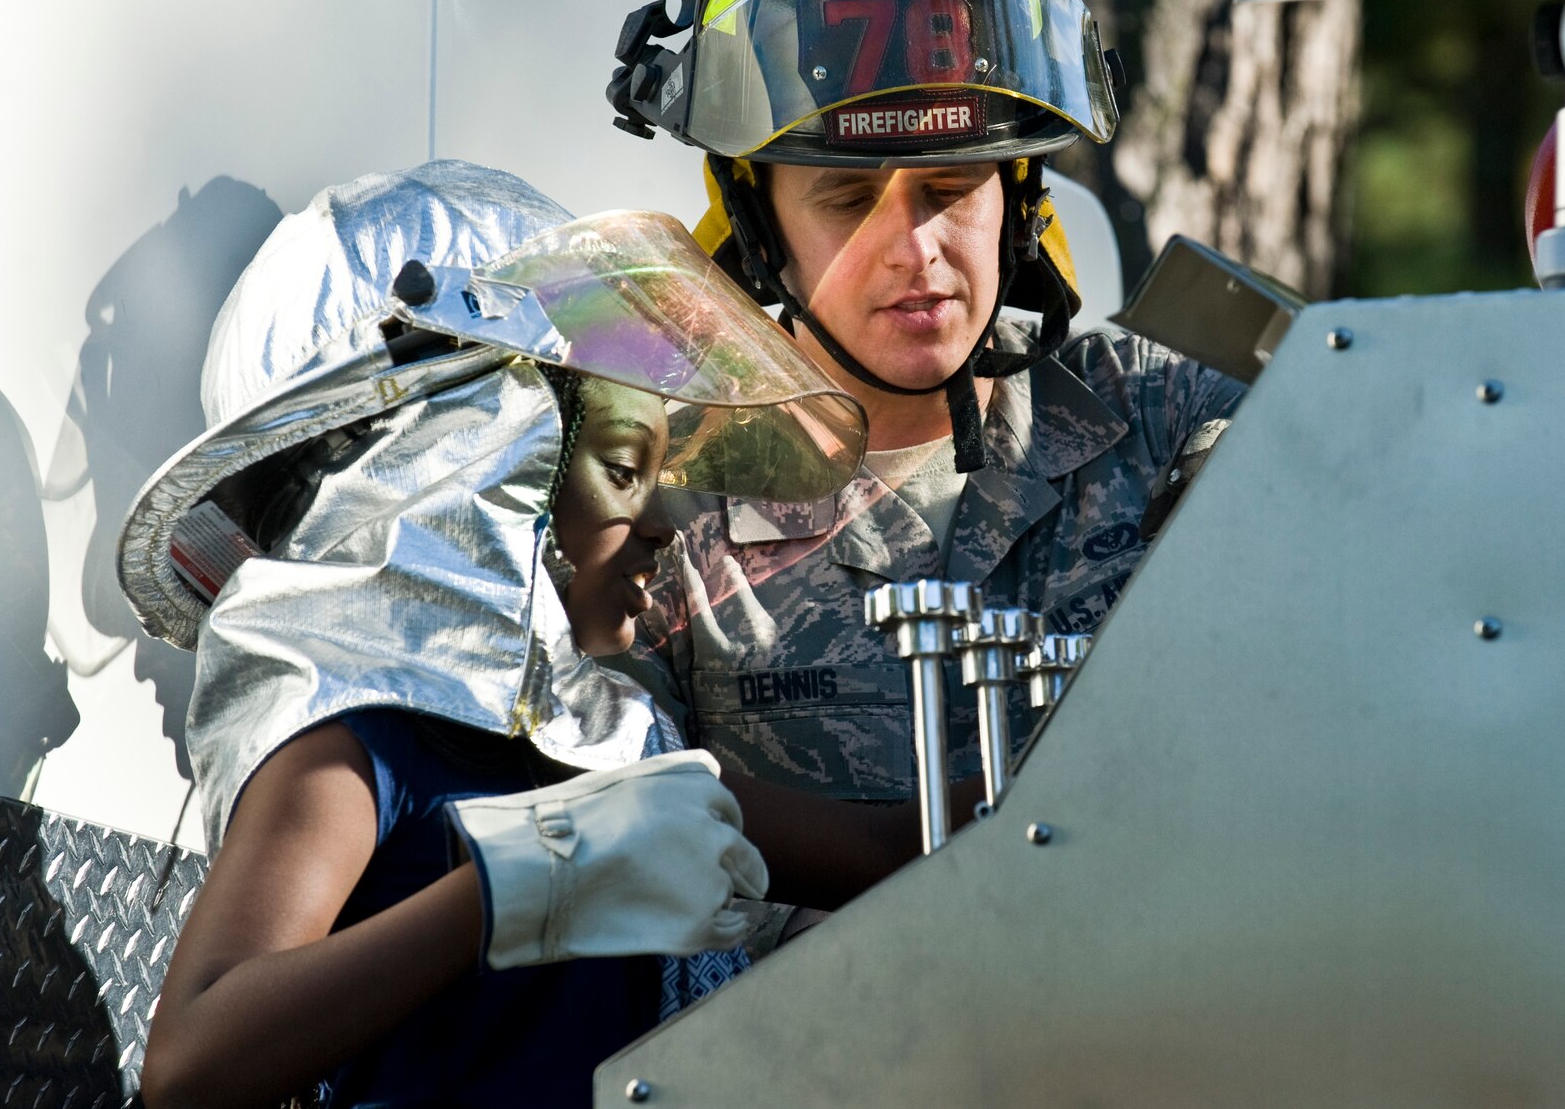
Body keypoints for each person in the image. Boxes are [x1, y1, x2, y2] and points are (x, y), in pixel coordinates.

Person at [118, 162, 949, 1109]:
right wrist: (522, 879)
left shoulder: (617, 752)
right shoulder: (357, 743)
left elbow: (891, 847)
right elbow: (189, 1060)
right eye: (625, 468)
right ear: (478, 465)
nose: (666, 523)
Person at [605, 0, 1242, 814]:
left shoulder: (1166, 419)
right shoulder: (659, 506)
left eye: (951, 188)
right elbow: (621, 835)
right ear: (758, 222)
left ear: (1018, 200)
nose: (916, 250)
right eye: (847, 199)